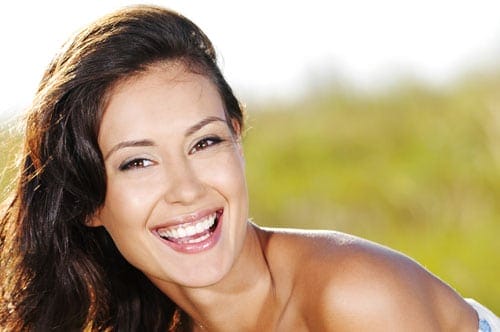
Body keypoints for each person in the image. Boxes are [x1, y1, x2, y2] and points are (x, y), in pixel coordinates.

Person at [0, 4, 498, 332]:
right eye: (139, 161)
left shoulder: (355, 298)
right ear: (86, 201)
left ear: (237, 139)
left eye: (205, 142)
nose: (187, 190)